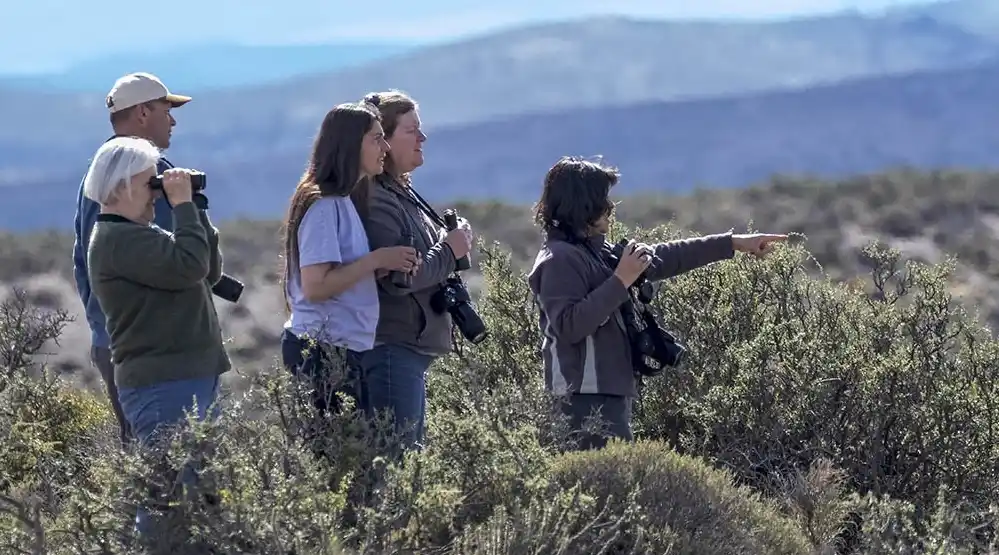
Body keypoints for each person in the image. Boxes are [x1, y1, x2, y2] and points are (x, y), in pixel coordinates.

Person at [528, 156, 788, 451]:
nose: (611, 208)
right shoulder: (559, 259)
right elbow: (569, 326)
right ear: (583, 206)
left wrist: (734, 243)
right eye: (603, 200)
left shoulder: (597, 252)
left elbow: (667, 256)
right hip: (580, 399)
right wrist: (621, 280)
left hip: (609, 393)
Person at [83, 136, 230, 536]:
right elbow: (189, 266)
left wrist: (195, 208)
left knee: (199, 499)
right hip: (163, 386)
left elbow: (208, 269)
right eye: (152, 183)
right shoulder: (118, 242)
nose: (157, 194)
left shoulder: (138, 234)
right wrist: (180, 206)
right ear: (120, 186)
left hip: (184, 378)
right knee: (167, 502)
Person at [280, 102, 420, 439]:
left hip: (339, 348)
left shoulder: (342, 200)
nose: (384, 147)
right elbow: (316, 287)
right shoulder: (324, 205)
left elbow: (336, 275)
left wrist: (374, 271)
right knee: (335, 457)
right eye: (375, 139)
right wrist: (376, 260)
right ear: (350, 144)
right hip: (322, 351)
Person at [72, 72, 191, 446]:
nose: (172, 120)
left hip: (114, 339)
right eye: (165, 110)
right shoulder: (150, 176)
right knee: (168, 461)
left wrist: (102, 323)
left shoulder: (99, 174)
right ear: (142, 113)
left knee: (141, 457)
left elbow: (83, 263)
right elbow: (181, 260)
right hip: (154, 348)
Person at [352, 90, 474, 451]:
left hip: (409, 348)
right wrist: (450, 249)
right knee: (395, 465)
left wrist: (448, 244)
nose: (423, 138)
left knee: (407, 462)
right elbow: (401, 277)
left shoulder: (400, 192)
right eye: (412, 130)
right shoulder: (376, 200)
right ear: (383, 140)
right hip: (392, 346)